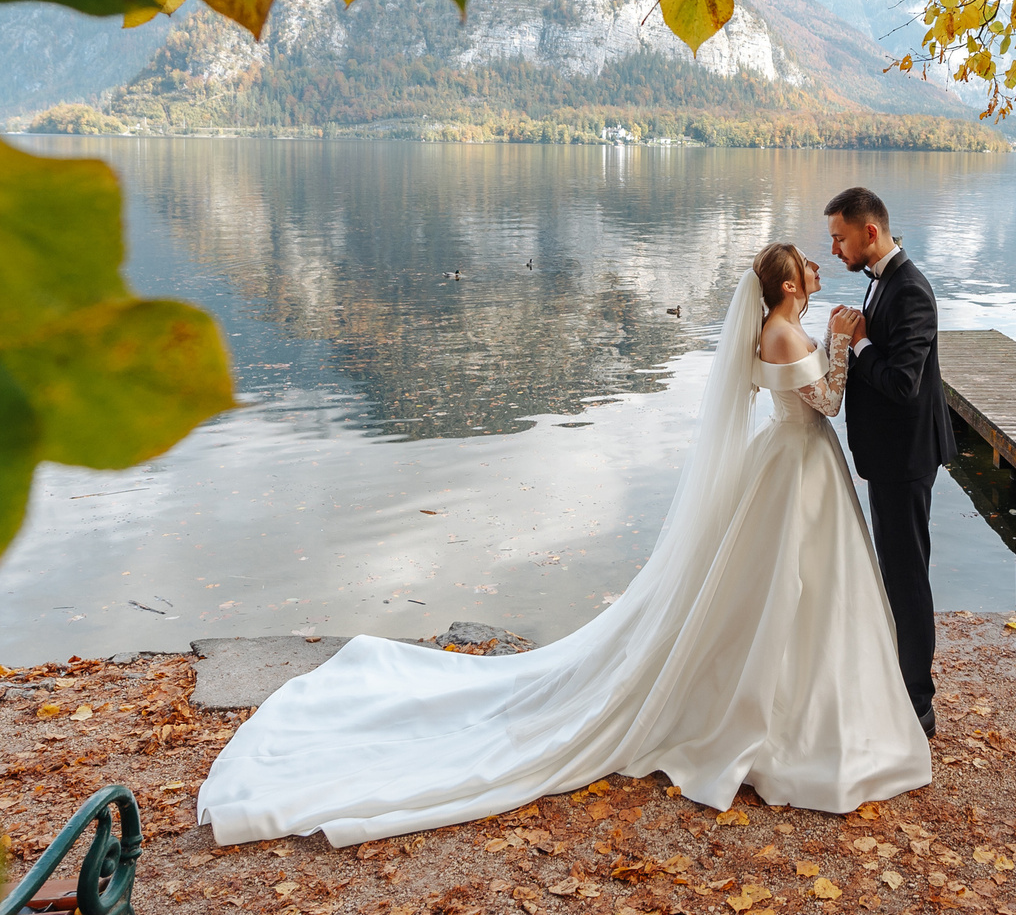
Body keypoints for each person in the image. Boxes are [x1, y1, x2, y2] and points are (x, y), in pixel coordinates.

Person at [196, 243, 930, 846]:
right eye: (808, 267)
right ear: (787, 284)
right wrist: (844, 340)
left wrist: (833, 340)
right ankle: (783, 720)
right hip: (797, 467)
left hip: (792, 465)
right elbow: (827, 401)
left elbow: (809, 396)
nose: (819, 270)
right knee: (786, 590)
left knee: (788, 593)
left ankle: (796, 702)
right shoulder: (786, 330)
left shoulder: (771, 329)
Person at [823, 186, 954, 738]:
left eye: (839, 238)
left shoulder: (911, 292)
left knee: (907, 579)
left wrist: (857, 344)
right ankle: (903, 687)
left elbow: (903, 383)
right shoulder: (882, 285)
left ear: (869, 233)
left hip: (905, 459)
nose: (834, 249)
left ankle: (917, 705)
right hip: (890, 456)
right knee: (899, 574)